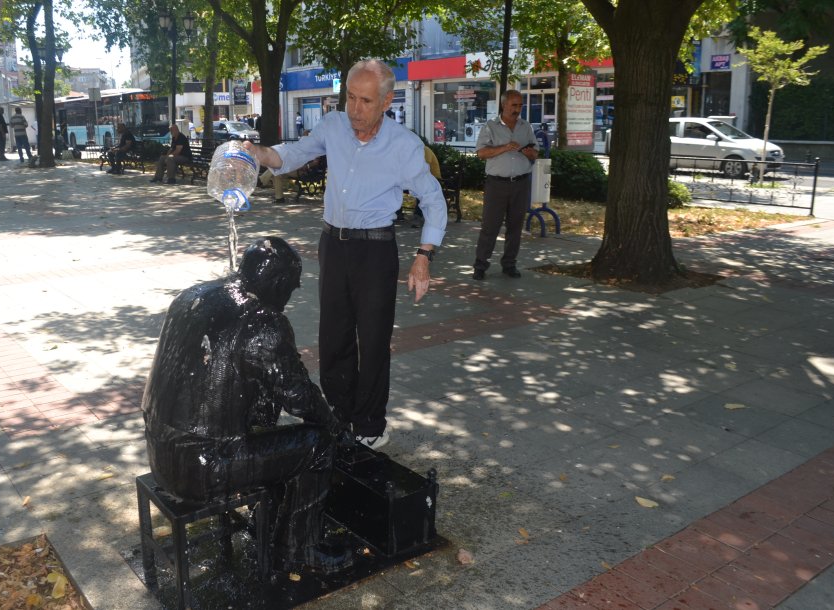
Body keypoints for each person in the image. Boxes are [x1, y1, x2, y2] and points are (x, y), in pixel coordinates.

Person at [244, 59, 447, 450]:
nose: (355, 109)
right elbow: (293, 153)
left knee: (372, 340)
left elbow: (434, 202)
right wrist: (257, 152)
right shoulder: (334, 127)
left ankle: (369, 424)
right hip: (333, 245)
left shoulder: (404, 146)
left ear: (387, 101)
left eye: (366, 101)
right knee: (333, 337)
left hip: (375, 250)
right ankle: (339, 413)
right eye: (350, 98)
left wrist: (424, 256)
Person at [141, 237, 351, 574]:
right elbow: (299, 397)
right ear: (281, 283)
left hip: (161, 452)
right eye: (291, 290)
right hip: (203, 470)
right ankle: (298, 551)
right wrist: (333, 424)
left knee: (265, 401)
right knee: (318, 445)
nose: (289, 299)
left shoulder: (193, 296)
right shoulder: (264, 322)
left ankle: (272, 511)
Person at [471, 90, 539, 280]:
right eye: (514, 105)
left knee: (515, 226)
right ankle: (480, 265)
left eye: (520, 105)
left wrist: (529, 153)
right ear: (504, 105)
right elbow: (481, 153)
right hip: (497, 184)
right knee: (490, 227)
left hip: (520, 183)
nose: (518, 109)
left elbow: (535, 152)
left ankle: (509, 264)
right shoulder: (490, 127)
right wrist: (504, 148)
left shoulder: (526, 127)